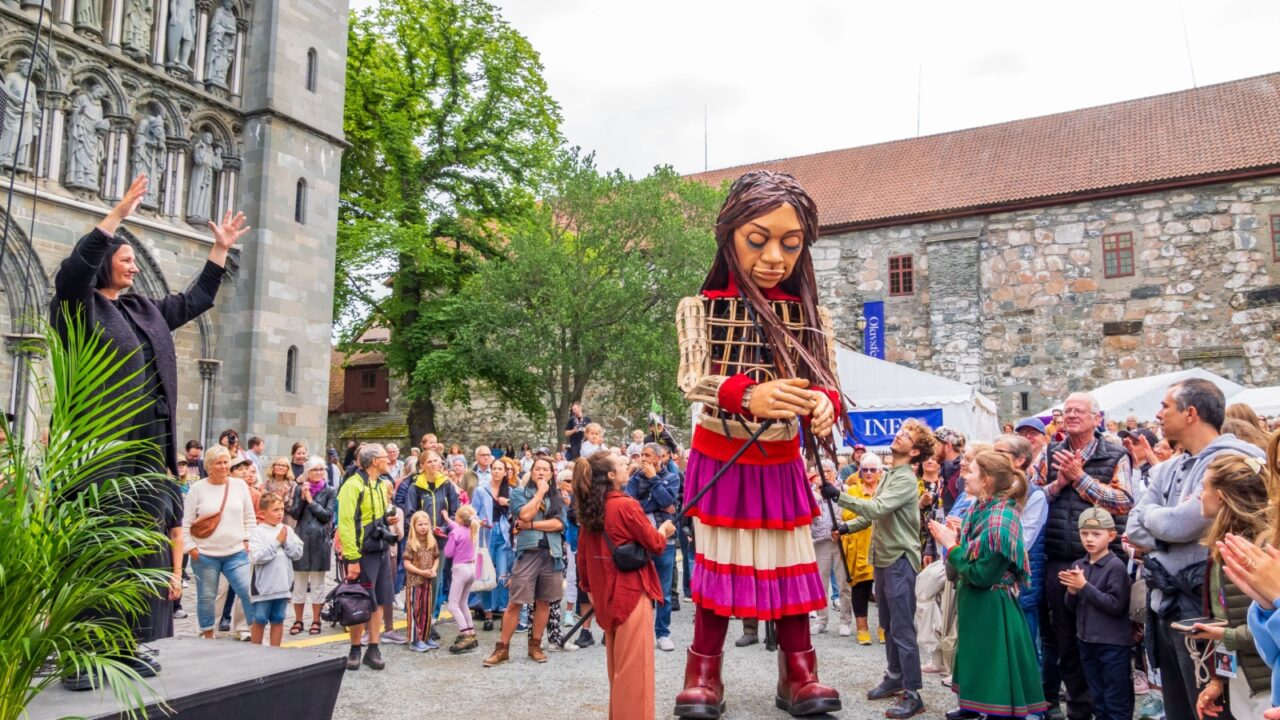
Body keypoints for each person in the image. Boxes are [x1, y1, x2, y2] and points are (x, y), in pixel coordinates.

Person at [53, 175, 247, 688]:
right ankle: (80, 657)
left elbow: (197, 300)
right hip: (100, 448)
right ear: (104, 265)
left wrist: (219, 250)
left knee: (137, 550)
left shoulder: (142, 309)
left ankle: (119, 649)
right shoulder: (77, 306)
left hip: (147, 450)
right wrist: (116, 215)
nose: (135, 266)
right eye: (126, 259)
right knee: (97, 548)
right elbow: (74, 270)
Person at [674, 171, 844, 719]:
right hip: (721, 454)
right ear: (730, 236)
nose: (775, 256)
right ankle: (704, 672)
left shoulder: (813, 318)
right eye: (759, 239)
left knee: (792, 565)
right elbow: (691, 380)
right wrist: (748, 394)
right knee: (718, 566)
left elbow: (830, 386)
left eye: (790, 244)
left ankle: (800, 672)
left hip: (782, 460)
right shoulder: (699, 309)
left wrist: (823, 405)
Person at [1126, 380, 1264, 720]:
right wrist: (1165, 525)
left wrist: (1157, 523)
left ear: (1191, 413)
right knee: (1178, 706)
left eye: (1165, 406)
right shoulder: (1167, 467)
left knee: (1209, 704)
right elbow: (1133, 526)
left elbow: (1187, 524)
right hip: (1168, 605)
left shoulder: (1231, 461)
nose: (1157, 415)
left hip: (1208, 607)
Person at [928, 451, 1047, 719]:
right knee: (980, 663)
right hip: (979, 606)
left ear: (987, 481)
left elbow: (982, 575)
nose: (965, 475)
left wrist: (951, 544)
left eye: (971, 471)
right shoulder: (982, 509)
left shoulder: (1000, 521)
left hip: (993, 609)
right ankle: (975, 706)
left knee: (996, 678)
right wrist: (958, 536)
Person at [1036, 392, 1133, 720]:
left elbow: (1123, 501)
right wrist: (1058, 485)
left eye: (1079, 411)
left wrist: (1082, 479)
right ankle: (1078, 711)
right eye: (1066, 411)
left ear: (1097, 418)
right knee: (1066, 642)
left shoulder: (1116, 454)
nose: (1071, 415)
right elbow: (1033, 500)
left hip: (1102, 563)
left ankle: (1109, 711)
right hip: (1060, 558)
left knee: (1102, 641)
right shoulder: (1051, 453)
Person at [837, 420, 936, 718]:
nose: (899, 435)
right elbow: (876, 514)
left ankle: (913, 692)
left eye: (906, 435)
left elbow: (877, 509)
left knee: (903, 628)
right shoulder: (890, 474)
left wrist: (838, 496)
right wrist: (846, 526)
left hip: (899, 560)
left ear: (915, 450)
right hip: (883, 559)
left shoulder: (905, 478)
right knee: (889, 625)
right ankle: (895, 676)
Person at [574, 451, 675, 720]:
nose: (626, 465)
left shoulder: (591, 508)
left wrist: (590, 590)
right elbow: (654, 544)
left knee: (618, 671)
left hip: (605, 596)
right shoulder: (625, 506)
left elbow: (582, 557)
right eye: (620, 463)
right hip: (631, 593)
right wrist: (664, 530)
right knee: (635, 675)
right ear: (610, 475)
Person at [1191, 453, 1273, 720]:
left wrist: (1223, 636)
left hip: (1268, 686)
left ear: (1222, 496)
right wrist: (1218, 680)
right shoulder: (1224, 548)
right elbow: (1227, 618)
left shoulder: (1261, 554)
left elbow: (1269, 631)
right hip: (1242, 682)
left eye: (1203, 487)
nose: (1198, 495)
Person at [483, 455, 566, 667]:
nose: (541, 473)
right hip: (528, 552)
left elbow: (559, 524)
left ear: (551, 473)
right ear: (531, 471)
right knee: (515, 602)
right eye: (537, 469)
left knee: (544, 601)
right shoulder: (520, 493)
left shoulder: (557, 496)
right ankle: (502, 648)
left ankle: (535, 646)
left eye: (545, 470)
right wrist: (539, 493)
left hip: (552, 554)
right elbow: (524, 515)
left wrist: (532, 526)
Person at [1061, 507, 1133, 720]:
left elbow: (1114, 605)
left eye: (1096, 534)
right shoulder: (1079, 564)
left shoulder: (1115, 566)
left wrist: (1084, 586)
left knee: (1115, 699)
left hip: (1112, 643)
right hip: (1086, 640)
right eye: (1084, 534)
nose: (1089, 539)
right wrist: (1072, 592)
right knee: (1098, 699)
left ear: (1111, 536)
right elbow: (1071, 607)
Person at [181, 446, 256, 640]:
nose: (223, 466)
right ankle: (207, 634)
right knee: (207, 597)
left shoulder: (239, 486)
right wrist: (191, 548)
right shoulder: (197, 489)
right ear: (209, 466)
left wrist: (248, 538)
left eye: (226, 462)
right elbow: (186, 522)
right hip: (205, 554)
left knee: (248, 591)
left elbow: (249, 517)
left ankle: (255, 630)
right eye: (219, 463)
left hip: (236, 552)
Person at [336, 444, 397, 671]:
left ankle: (373, 647)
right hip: (361, 553)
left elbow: (377, 516)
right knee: (358, 600)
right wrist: (352, 558)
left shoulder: (381, 485)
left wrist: (386, 523)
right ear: (373, 461)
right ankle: (354, 648)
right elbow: (346, 524)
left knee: (380, 600)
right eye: (384, 457)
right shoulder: (352, 485)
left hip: (380, 549)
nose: (389, 460)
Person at [625, 442, 680, 652]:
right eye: (641, 455)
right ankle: (641, 631)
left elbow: (668, 499)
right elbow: (629, 506)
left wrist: (654, 481)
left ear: (659, 458)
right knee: (640, 589)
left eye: (648, 455)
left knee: (663, 591)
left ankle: (663, 633)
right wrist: (654, 502)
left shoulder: (671, 478)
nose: (644, 459)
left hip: (665, 541)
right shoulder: (634, 478)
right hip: (640, 541)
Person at [247, 493, 304, 646]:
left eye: (281, 509)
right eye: (275, 510)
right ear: (263, 513)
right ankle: (255, 651)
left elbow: (298, 553)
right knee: (259, 619)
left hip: (283, 586)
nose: (280, 513)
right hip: (263, 588)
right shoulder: (258, 532)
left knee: (278, 619)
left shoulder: (286, 530)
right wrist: (276, 542)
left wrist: (286, 543)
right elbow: (257, 556)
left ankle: (275, 651)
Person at [287, 456, 335, 636]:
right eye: (314, 469)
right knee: (298, 584)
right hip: (301, 539)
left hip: (320, 541)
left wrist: (310, 500)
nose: (318, 472)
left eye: (321, 469)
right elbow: (294, 514)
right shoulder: (300, 488)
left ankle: (316, 620)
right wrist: (300, 498)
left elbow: (327, 515)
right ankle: (298, 620)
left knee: (317, 584)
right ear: (307, 472)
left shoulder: (330, 490)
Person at [842, 452, 879, 643]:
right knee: (861, 588)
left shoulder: (885, 489)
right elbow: (848, 516)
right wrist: (870, 511)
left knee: (883, 590)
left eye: (873, 469)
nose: (869, 473)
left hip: (882, 545)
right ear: (860, 471)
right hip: (859, 546)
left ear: (880, 472)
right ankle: (862, 628)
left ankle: (883, 627)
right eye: (865, 469)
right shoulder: (853, 491)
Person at [809, 460, 849, 637]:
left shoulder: (843, 491)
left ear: (834, 473)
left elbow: (850, 513)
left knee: (843, 582)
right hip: (819, 541)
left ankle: (845, 620)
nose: (825, 475)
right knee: (820, 583)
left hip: (840, 540)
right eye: (821, 472)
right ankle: (821, 619)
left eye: (828, 471)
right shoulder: (810, 493)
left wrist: (841, 527)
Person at [442, 505, 481, 654]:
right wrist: (447, 520)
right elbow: (458, 527)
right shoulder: (473, 529)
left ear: (458, 519)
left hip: (460, 570)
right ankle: (471, 633)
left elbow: (448, 552)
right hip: (472, 569)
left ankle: (465, 634)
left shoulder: (455, 532)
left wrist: (447, 537)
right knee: (463, 603)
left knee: (453, 605)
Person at [403, 510, 441, 652]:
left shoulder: (432, 541)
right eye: (420, 524)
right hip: (414, 582)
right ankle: (415, 639)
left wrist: (434, 569)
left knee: (427, 610)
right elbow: (407, 563)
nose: (423, 527)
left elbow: (436, 557)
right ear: (414, 526)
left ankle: (425, 636)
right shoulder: (411, 543)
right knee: (415, 611)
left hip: (427, 581)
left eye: (426, 524)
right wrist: (421, 572)